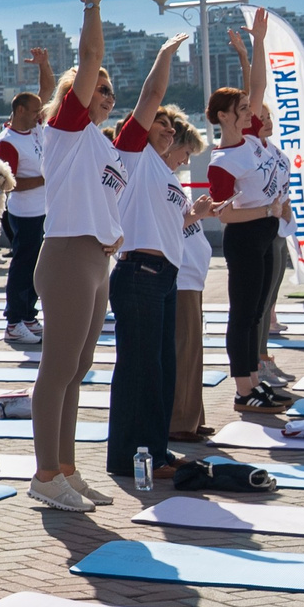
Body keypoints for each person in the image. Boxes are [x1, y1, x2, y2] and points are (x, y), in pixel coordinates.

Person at [28, 0, 124, 512]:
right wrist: (90, 10)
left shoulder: (99, 143)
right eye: (97, 89)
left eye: (111, 92)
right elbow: (90, 56)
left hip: (95, 259)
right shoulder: (66, 127)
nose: (105, 97)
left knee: (79, 365)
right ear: (75, 96)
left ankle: (65, 468)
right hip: (66, 256)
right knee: (58, 368)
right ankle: (45, 474)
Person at [103, 43, 199, 489]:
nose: (167, 127)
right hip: (139, 274)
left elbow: (166, 224)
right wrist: (163, 53)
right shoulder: (135, 158)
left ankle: (153, 449)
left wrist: (196, 215)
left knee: (160, 367)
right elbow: (150, 96)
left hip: (162, 277)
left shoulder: (163, 172)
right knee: (142, 370)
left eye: (170, 125)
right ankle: (134, 456)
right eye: (160, 121)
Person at [205, 17, 296, 415]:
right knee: (242, 315)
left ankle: (255, 382)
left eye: (247, 108)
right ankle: (244, 390)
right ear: (223, 116)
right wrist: (267, 209)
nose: (248, 110)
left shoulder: (254, 139)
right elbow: (223, 217)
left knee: (259, 311)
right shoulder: (223, 161)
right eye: (240, 109)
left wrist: (257, 43)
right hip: (245, 237)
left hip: (265, 231)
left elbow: (258, 85)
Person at [0, 82, 48, 343]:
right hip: (24, 213)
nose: (40, 115)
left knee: (35, 268)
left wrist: (43, 64)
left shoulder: (35, 130)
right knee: (22, 266)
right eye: (35, 110)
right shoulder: (8, 142)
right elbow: (7, 183)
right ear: (19, 110)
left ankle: (28, 314)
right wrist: (45, 179)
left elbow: (47, 91)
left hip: (41, 211)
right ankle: (14, 321)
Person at [172, 141, 216, 443]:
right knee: (184, 350)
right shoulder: (152, 177)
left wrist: (200, 213)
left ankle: (192, 416)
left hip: (191, 276)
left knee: (193, 351)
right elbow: (166, 226)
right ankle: (180, 421)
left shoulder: (170, 179)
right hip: (180, 275)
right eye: (185, 151)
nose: (187, 159)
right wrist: (196, 214)